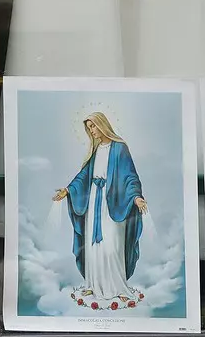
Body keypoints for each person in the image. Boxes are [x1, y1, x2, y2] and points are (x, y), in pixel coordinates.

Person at [51, 112, 146, 310]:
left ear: (102, 125)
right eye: (89, 128)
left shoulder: (120, 148)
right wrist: (67, 190)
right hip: (94, 200)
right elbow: (83, 176)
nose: (91, 131)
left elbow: (130, 176)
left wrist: (136, 196)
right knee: (93, 246)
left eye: (93, 126)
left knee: (111, 245)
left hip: (113, 203)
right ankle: (93, 286)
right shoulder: (94, 151)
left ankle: (116, 286)